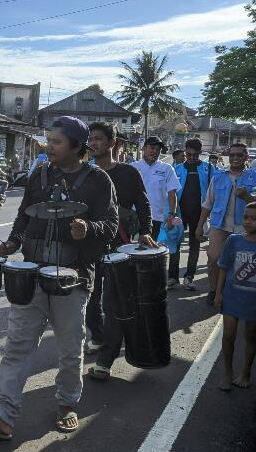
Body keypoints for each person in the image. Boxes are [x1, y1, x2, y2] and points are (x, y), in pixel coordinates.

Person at [0, 116, 118, 436]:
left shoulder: (99, 181)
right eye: (48, 140)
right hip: (31, 275)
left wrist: (87, 229)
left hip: (73, 278)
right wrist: (11, 243)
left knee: (69, 348)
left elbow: (111, 227)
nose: (49, 146)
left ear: (77, 147)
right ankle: (3, 415)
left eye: (57, 142)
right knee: (17, 347)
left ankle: (66, 404)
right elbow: (23, 218)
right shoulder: (39, 175)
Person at [84, 122, 155, 360]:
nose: (93, 143)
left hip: (120, 246)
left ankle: (107, 354)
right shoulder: (84, 173)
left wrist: (146, 231)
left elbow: (143, 204)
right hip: (91, 243)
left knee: (112, 301)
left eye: (98, 139)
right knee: (90, 297)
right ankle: (98, 335)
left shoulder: (128, 173)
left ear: (112, 143)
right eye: (90, 139)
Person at [214, 202, 256, 391]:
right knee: (228, 335)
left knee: (251, 336)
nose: (248, 222)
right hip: (232, 296)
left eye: (254, 219)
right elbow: (223, 267)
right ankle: (227, 372)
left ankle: (246, 372)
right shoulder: (234, 240)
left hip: (255, 300)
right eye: (246, 217)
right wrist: (218, 292)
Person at [196, 143, 256, 305]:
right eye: (232, 155)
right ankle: (214, 289)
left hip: (245, 228)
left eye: (239, 155)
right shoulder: (218, 176)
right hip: (220, 226)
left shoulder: (255, 177)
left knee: (241, 263)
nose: (235, 158)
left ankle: (235, 293)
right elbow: (208, 203)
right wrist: (200, 226)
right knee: (214, 258)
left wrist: (247, 197)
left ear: (246, 157)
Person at [171, 138, 216, 291]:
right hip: (179, 213)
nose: (191, 157)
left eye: (195, 155)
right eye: (189, 154)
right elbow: (170, 193)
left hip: (199, 214)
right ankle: (172, 277)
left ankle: (189, 276)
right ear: (185, 152)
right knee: (175, 245)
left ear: (200, 153)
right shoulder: (177, 169)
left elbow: (213, 193)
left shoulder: (209, 168)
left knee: (194, 246)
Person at [131, 136, 181, 242]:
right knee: (133, 251)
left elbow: (172, 192)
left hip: (156, 218)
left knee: (151, 252)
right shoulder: (133, 167)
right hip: (134, 217)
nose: (155, 151)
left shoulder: (167, 168)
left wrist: (172, 214)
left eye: (158, 149)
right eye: (152, 148)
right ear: (144, 148)